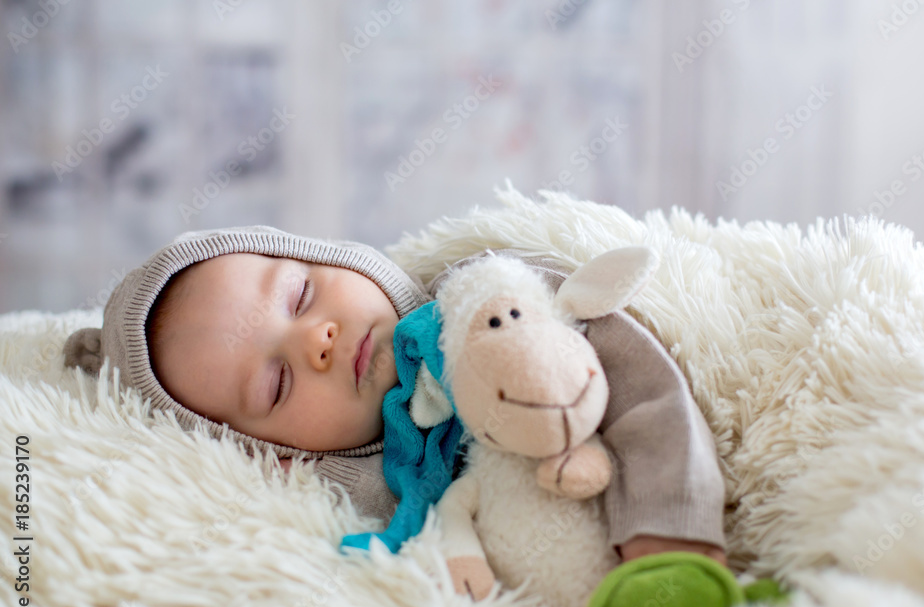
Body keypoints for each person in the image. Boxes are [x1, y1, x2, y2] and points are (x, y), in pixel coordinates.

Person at [63, 225, 727, 571]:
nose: (315, 340)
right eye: (276, 383)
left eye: (298, 295)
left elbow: (642, 382)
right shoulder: (356, 506)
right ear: (276, 454)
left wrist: (668, 522)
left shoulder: (483, 303)